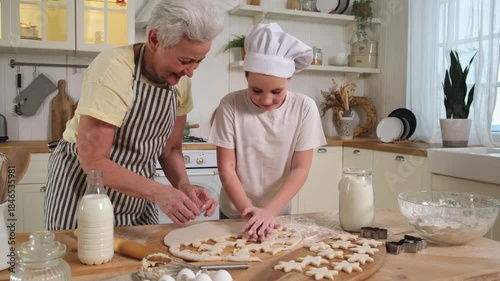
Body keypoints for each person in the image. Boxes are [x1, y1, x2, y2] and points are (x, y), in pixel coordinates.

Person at [44, 0, 224, 230]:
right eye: (184, 61)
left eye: (199, 61)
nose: (190, 72)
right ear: (154, 40)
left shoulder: (181, 81)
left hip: (138, 191)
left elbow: (170, 149)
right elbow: (94, 161)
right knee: (84, 258)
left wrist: (183, 185)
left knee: (146, 261)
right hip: (85, 187)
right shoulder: (114, 69)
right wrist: (158, 192)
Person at [208, 23, 327, 240]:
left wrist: (269, 212)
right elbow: (227, 168)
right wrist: (249, 212)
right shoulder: (230, 105)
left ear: (289, 79)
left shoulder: (304, 108)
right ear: (246, 77)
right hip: (235, 213)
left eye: (276, 91)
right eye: (257, 90)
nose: (266, 99)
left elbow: (300, 169)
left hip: (278, 214)